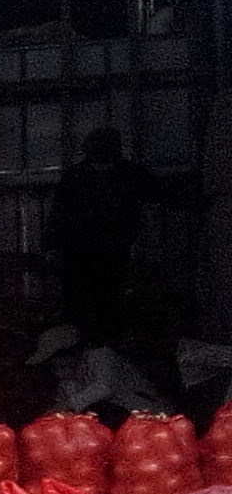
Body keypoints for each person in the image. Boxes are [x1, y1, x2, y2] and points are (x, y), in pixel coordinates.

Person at [45, 126, 156, 348]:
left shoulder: (125, 174)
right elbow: (58, 215)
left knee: (107, 304)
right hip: (82, 254)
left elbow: (58, 215)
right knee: (83, 306)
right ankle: (86, 349)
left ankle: (102, 350)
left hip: (109, 252)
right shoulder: (82, 176)